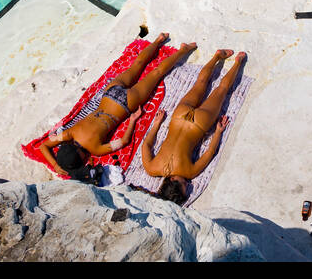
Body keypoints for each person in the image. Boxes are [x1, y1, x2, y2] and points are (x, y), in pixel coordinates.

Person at [38, 34, 196, 180]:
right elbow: (44, 145)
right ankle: (158, 41)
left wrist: (133, 119)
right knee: (137, 65)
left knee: (157, 73)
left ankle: (183, 50)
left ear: (81, 157)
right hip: (110, 93)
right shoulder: (69, 134)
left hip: (127, 103)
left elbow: (124, 141)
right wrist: (55, 164)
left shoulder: (96, 149)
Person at [141, 49, 246, 205]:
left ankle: (238, 61)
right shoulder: (151, 168)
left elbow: (210, 152)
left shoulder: (190, 172)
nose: (188, 184)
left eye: (184, 185)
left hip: (199, 123)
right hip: (179, 117)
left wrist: (218, 132)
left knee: (221, 90)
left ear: (173, 180)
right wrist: (156, 124)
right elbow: (147, 144)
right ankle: (217, 56)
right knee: (201, 83)